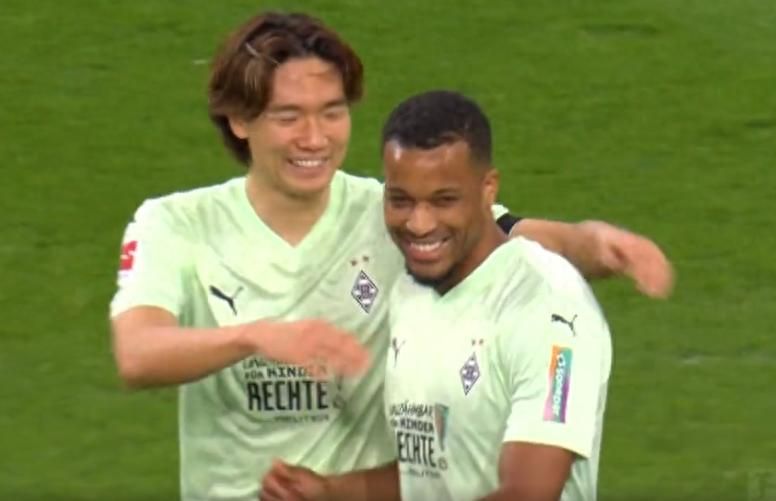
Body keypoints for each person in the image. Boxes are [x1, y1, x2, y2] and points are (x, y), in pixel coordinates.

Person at [110, 11, 671, 501]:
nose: (315, 138)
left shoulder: (391, 212)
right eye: (289, 116)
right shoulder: (175, 224)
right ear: (239, 119)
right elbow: (137, 354)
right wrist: (257, 337)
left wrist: (595, 245)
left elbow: (505, 232)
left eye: (332, 112)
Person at [260, 91, 612, 500]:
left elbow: (528, 493)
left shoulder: (550, 307)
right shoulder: (412, 291)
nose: (419, 224)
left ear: (488, 189)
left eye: (444, 201)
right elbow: (430, 475)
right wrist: (328, 491)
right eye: (401, 200)